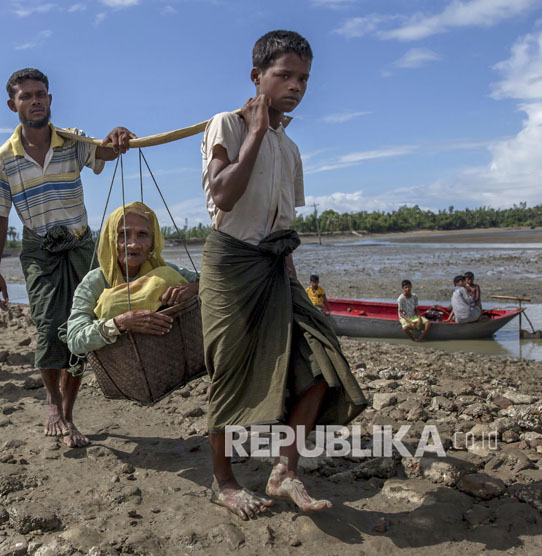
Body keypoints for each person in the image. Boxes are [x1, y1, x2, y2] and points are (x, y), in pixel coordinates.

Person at [199, 30, 367, 520]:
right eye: (284, 75)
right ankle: (224, 481)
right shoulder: (226, 125)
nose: (296, 86)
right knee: (229, 374)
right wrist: (253, 131)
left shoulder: (290, 148)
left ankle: (284, 470)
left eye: (304, 78)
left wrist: (295, 287)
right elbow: (224, 196)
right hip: (231, 265)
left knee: (322, 363)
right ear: (257, 78)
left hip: (276, 269)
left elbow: (283, 226)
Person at [0, 67, 135, 445]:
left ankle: (68, 413)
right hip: (39, 251)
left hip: (81, 244)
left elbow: (104, 152)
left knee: (80, 328)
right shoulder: (4, 158)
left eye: (40, 94)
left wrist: (116, 135)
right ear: (12, 105)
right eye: (26, 96)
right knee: (49, 325)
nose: (35, 100)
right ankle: (52, 401)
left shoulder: (71, 140)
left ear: (50, 100)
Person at [64, 203, 199, 443]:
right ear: (109, 240)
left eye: (142, 235)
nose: (134, 244)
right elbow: (74, 339)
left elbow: (214, 285)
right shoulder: (95, 282)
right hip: (122, 370)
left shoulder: (165, 271)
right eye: (123, 235)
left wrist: (193, 288)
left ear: (153, 241)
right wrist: (120, 322)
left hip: (171, 362)